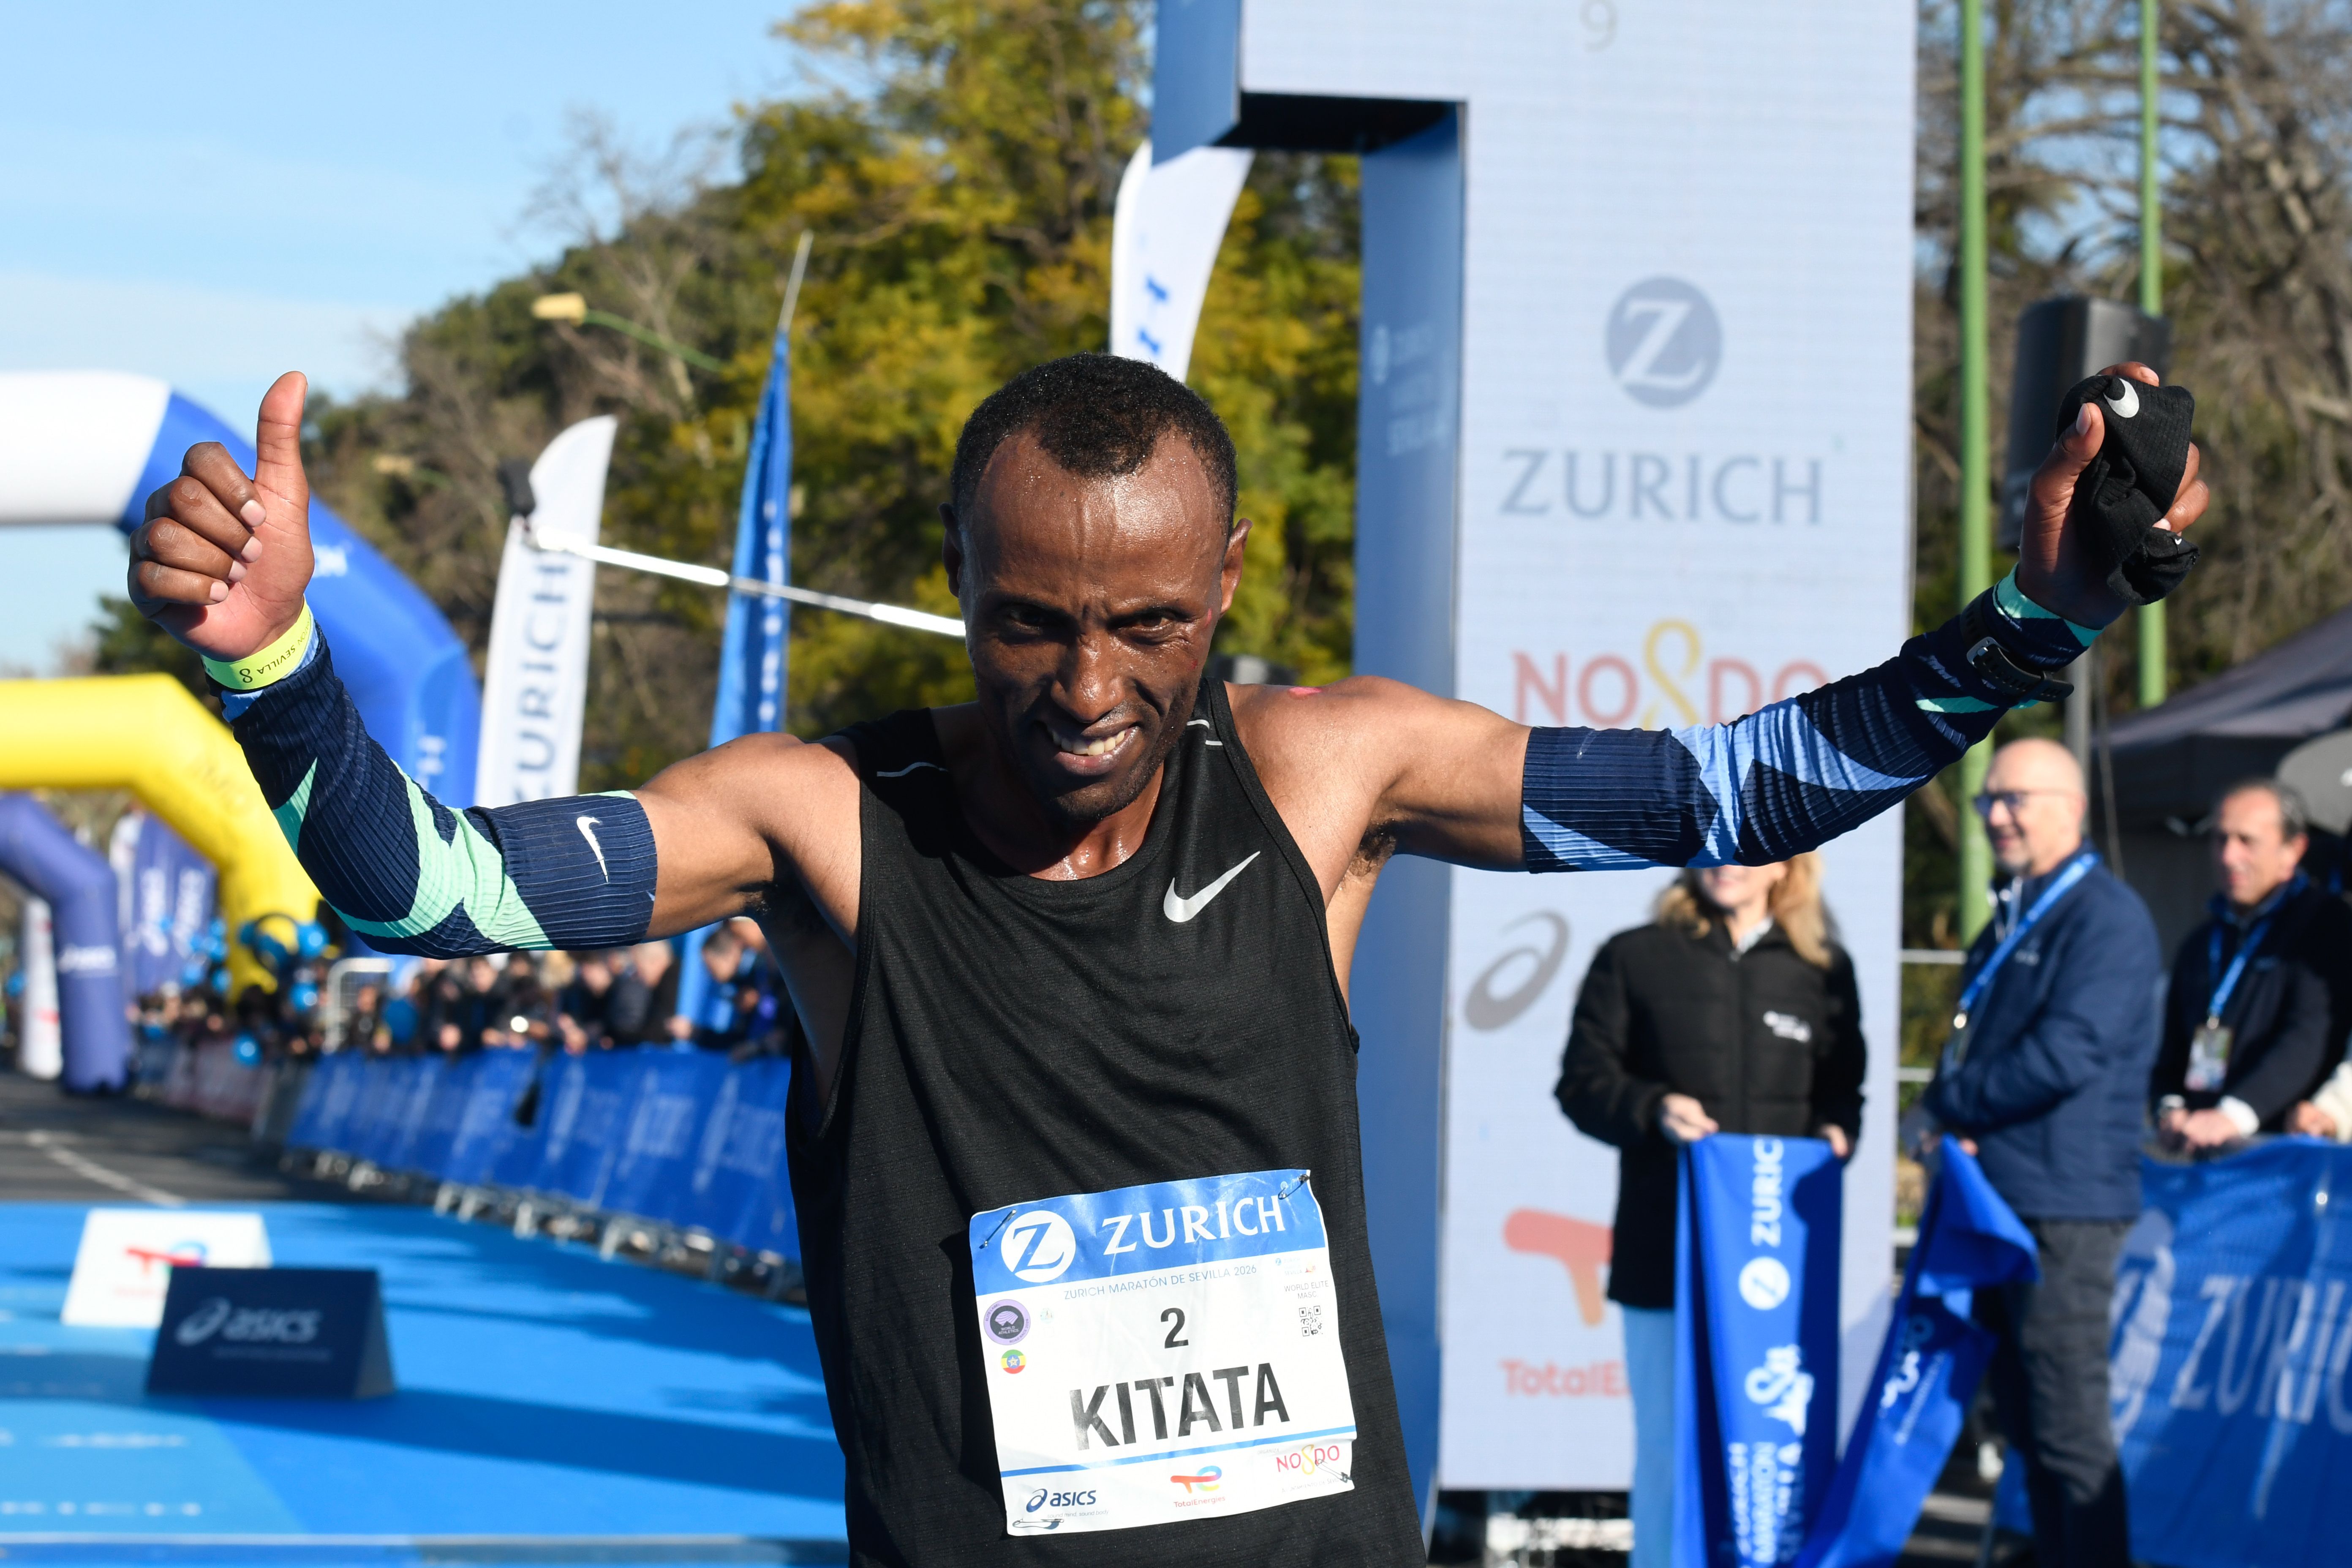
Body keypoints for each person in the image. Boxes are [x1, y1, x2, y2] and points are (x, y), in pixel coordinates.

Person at [125, 354, 2201, 1566]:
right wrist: (282, 677)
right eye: (1031, 622)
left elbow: (1738, 792)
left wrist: (2045, 611)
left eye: (1148, 626)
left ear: (1226, 584)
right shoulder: (820, 818)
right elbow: (433, 890)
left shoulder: (1326, 772)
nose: (1089, 688)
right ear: (953, 584)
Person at [1554, 855, 1862, 1568]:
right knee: (1667, 1444)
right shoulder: (1635, 956)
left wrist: (1837, 1131)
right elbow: (1581, 1081)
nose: (1725, 860)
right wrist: (1650, 1106)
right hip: (1661, 1253)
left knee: (1769, 1445)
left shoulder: (1822, 969)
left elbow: (1842, 1091)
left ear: (1789, 863)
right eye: (1710, 842)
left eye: (1749, 844)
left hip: (1775, 1269)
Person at [1911, 738, 2162, 1568]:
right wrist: (1937, 1113)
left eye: (2018, 797)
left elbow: (2069, 1052)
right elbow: (1979, 1047)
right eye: (1990, 799)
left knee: (2066, 1426)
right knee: (2023, 1420)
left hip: (2063, 1207)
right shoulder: (2015, 912)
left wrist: (1951, 1101)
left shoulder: (2105, 917)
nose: (1998, 814)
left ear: (2072, 806)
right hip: (2000, 1198)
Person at [2154, 779, 2352, 1148]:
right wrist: (2170, 1107)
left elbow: (2309, 1037)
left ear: (2293, 850)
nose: (2229, 856)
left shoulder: (2325, 926)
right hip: (2200, 1147)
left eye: (2247, 841)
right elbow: (2171, 1050)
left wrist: (2235, 1114)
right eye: (2220, 839)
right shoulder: (2203, 942)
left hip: (2280, 1153)